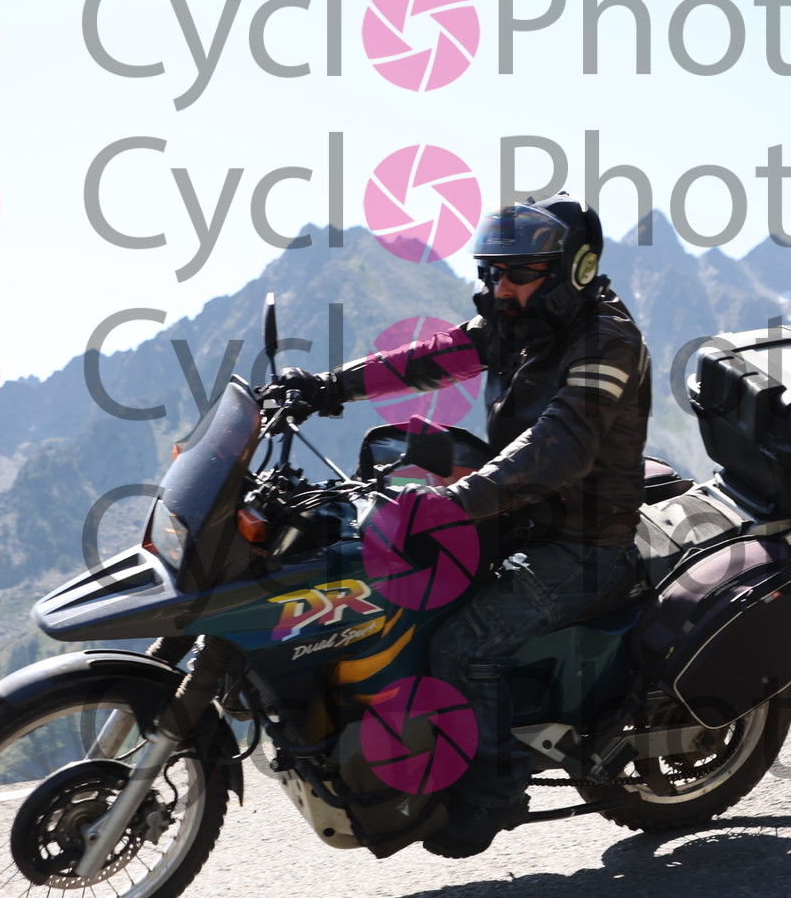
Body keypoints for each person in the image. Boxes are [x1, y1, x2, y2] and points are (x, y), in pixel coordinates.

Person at [277, 191, 651, 857]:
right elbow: (434, 356)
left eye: (518, 273)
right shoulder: (521, 319)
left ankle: (494, 790)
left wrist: (456, 502)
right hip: (521, 514)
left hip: (583, 542)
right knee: (390, 583)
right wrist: (330, 387)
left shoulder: (608, 342)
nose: (499, 288)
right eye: (492, 272)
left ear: (576, 269)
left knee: (463, 645)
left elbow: (559, 449)